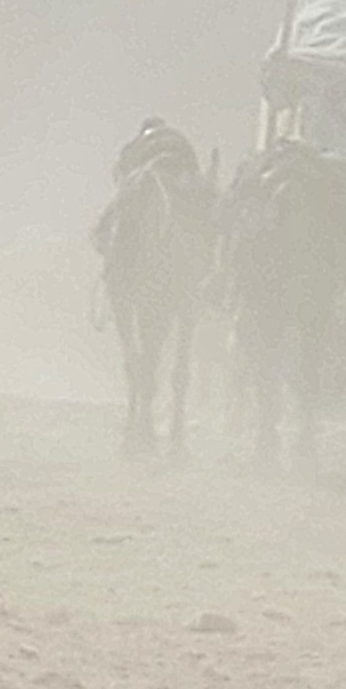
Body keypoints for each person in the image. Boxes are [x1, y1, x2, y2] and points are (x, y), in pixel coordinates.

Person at [218, 114, 346, 471]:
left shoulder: (255, 176)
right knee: (310, 356)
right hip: (316, 282)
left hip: (262, 280)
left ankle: (267, 436)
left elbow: (228, 220)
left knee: (265, 355)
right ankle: (305, 438)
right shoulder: (327, 180)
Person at [94, 120, 214, 457]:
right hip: (178, 270)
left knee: (144, 348)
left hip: (142, 265)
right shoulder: (178, 163)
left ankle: (142, 424)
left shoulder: (136, 168)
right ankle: (168, 430)